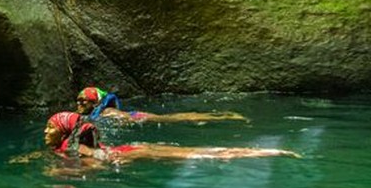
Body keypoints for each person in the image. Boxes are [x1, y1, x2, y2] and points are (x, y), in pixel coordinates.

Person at [43, 112, 299, 175]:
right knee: (196, 152)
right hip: (131, 149)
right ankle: (270, 151)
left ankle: (270, 152)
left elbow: (97, 164)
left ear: (64, 132)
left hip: (131, 154)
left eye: (50, 127)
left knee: (198, 155)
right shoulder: (68, 146)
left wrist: (61, 172)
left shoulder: (75, 148)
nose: (46, 131)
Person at [74, 86, 247, 125]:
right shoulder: (95, 113)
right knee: (172, 118)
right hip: (136, 116)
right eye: (78, 100)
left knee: (171, 119)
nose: (79, 103)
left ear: (95, 102)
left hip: (138, 117)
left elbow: (125, 119)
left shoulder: (107, 112)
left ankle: (223, 116)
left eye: (84, 100)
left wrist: (130, 121)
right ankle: (221, 115)